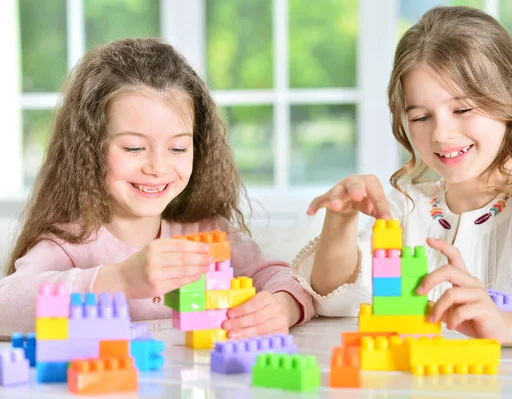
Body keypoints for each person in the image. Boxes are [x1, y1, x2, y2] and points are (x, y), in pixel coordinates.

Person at [291, 6, 512, 349]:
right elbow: (333, 299)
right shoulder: (402, 208)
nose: (441, 133)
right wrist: (341, 219)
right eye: (422, 117)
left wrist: (503, 325)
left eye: (462, 109)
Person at [0, 38, 314, 339]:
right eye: (134, 148)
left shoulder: (205, 233)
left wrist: (282, 307)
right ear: (88, 149)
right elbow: (6, 307)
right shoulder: (69, 245)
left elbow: (283, 278)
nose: (158, 167)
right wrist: (119, 280)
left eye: (178, 149)